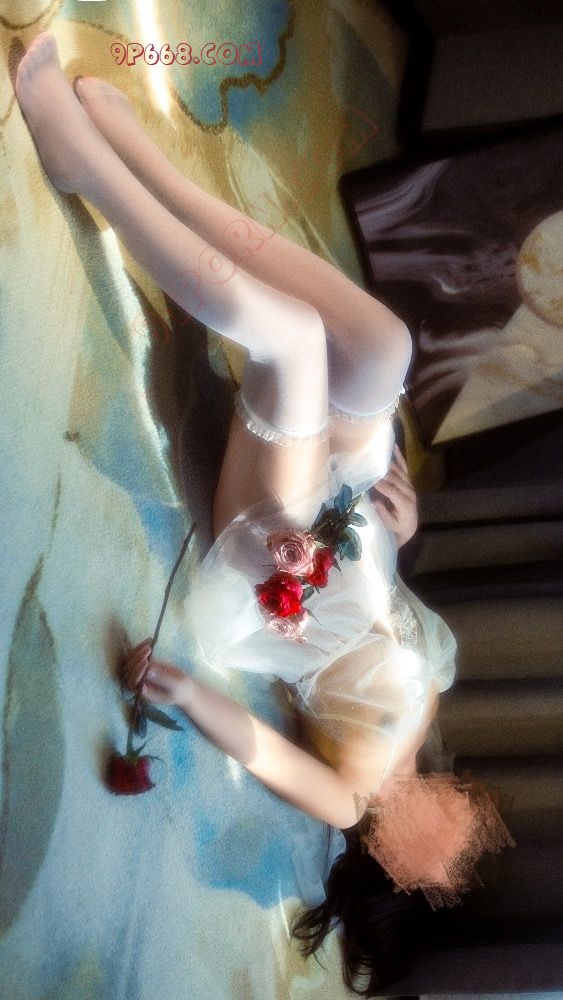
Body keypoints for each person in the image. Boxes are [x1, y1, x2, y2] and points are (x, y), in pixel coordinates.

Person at [15, 31, 516, 995]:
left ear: (395, 872)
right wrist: (405, 535)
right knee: (381, 346)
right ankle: (151, 164)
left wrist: (180, 692)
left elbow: (255, 745)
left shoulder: (349, 800)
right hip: (353, 530)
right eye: (469, 836)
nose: (461, 828)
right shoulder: (429, 711)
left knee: (290, 345)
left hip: (283, 575)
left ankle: (86, 166)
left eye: (445, 860)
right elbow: (391, 609)